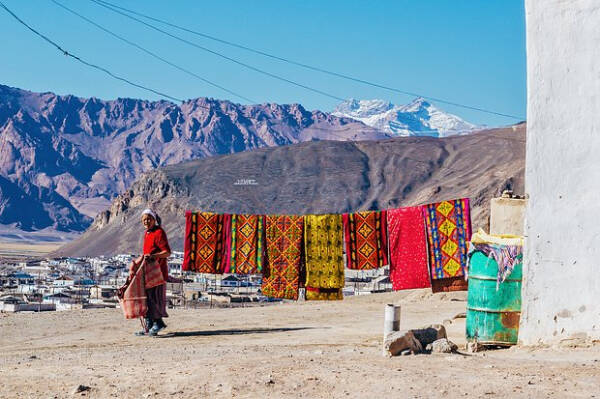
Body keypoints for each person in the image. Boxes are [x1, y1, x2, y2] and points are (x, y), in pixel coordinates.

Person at [134, 208, 171, 336]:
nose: (146, 221)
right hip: (148, 272)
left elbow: (167, 252)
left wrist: (154, 256)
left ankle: (158, 323)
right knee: (147, 298)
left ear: (154, 219)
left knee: (154, 299)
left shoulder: (159, 232)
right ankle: (148, 325)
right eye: (144, 219)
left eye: (149, 219)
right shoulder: (147, 233)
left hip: (158, 273)